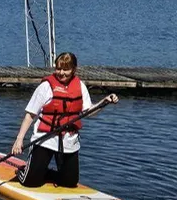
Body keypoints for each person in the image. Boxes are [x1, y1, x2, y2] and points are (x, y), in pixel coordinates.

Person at [10, 52, 118, 188]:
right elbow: (30, 115)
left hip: (69, 140)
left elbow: (88, 112)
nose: (61, 73)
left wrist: (104, 102)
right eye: (58, 68)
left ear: (74, 69)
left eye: (66, 69)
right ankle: (25, 171)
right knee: (30, 182)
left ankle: (44, 172)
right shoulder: (46, 87)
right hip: (45, 139)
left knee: (70, 182)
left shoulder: (80, 86)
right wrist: (19, 140)